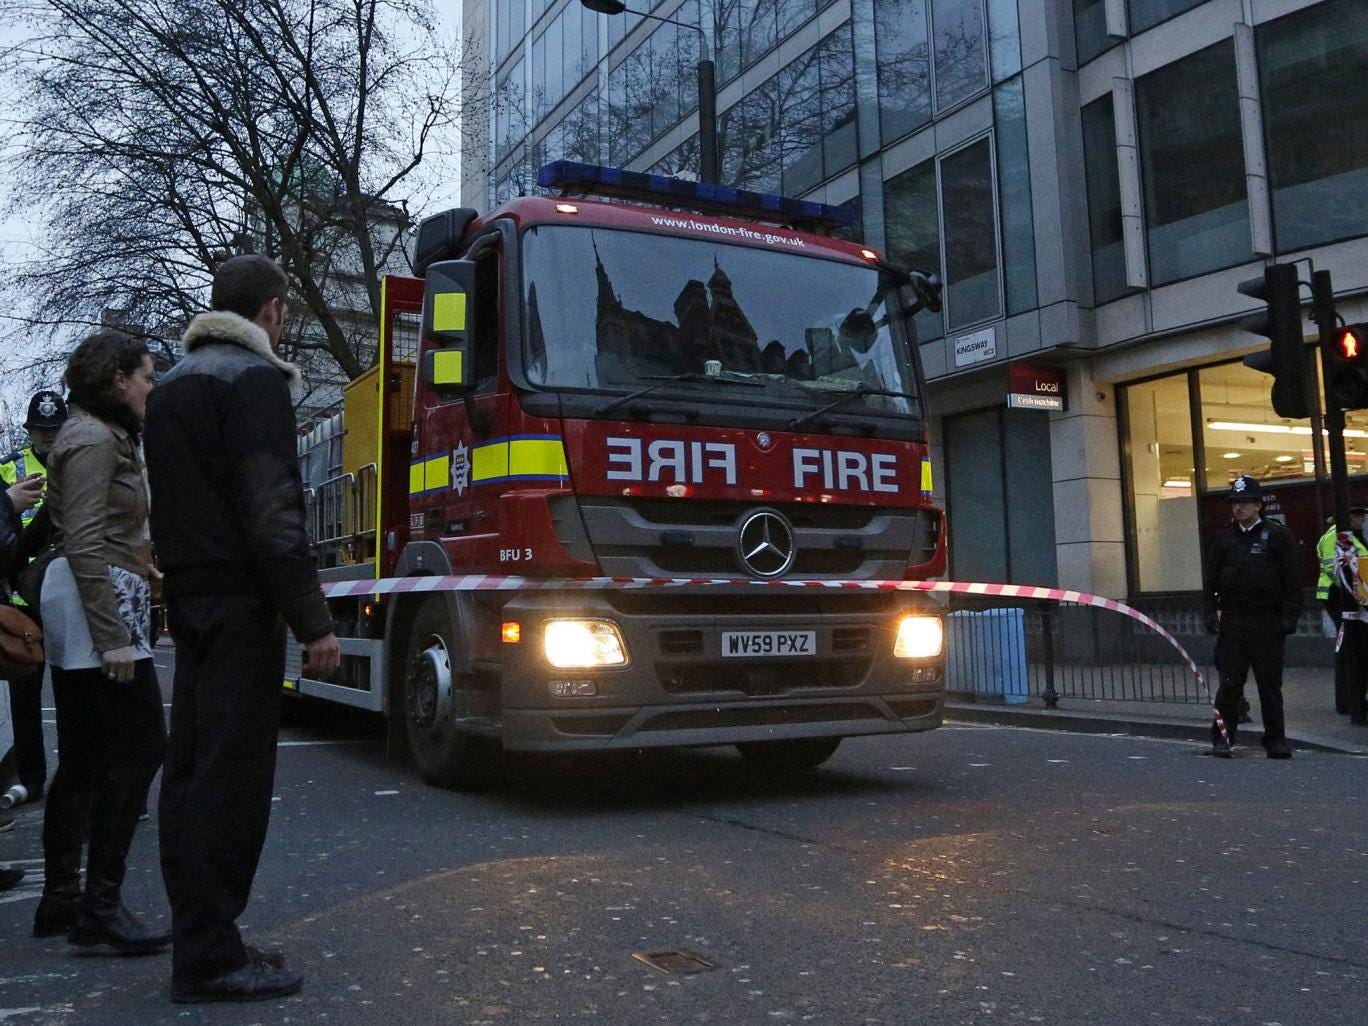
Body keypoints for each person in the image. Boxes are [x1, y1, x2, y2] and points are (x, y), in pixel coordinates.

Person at [145, 254, 340, 1003]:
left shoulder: (168, 387)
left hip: (190, 599)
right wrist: (312, 619)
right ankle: (208, 957)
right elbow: (272, 511)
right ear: (274, 311)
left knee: (191, 772)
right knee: (232, 778)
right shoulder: (254, 382)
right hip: (241, 604)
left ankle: (201, 936)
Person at [34, 330, 167, 950]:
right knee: (140, 744)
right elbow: (84, 539)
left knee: (87, 753)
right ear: (118, 379)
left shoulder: (99, 433)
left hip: (99, 591)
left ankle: (63, 900)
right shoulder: (92, 438)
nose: (149, 387)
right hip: (95, 602)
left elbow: (99, 535)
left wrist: (143, 564)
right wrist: (113, 636)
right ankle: (98, 905)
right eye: (144, 376)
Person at [1202, 475, 1302, 759]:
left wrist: (1289, 619)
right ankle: (1222, 738)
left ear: (1258, 505)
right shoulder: (1224, 539)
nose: (1238, 508)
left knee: (1270, 685)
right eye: (1235, 503)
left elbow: (1292, 582)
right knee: (1230, 684)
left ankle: (1276, 740)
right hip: (1234, 622)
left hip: (1268, 622)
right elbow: (1210, 582)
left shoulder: (1277, 536)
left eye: (1244, 503)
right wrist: (1210, 613)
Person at [0, 389, 68, 805]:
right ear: (30, 432)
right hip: (21, 601)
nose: (48, 439)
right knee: (25, 701)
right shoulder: (9, 470)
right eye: (41, 432)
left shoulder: (77, 464)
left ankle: (74, 781)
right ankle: (33, 781)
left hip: (62, 599)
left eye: (54, 431)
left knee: (72, 695)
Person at [1315, 507, 1368, 722]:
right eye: (1359, 516)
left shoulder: (1352, 536)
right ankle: (1347, 701)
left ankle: (1351, 700)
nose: (1362, 519)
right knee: (1348, 648)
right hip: (1338, 596)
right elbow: (1334, 568)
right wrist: (1356, 590)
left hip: (1351, 597)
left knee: (1350, 648)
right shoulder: (1336, 536)